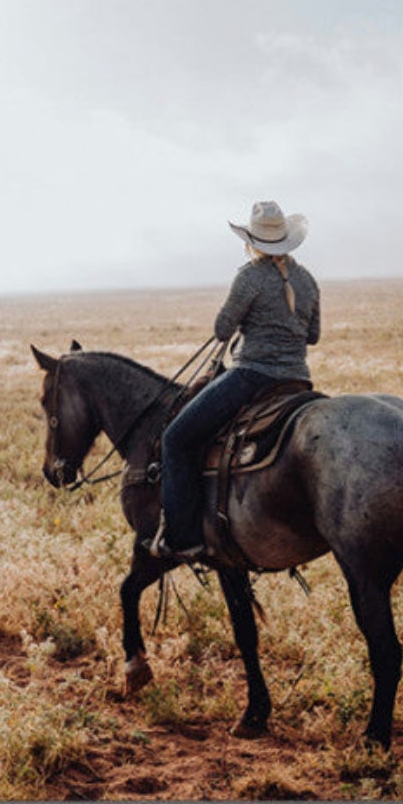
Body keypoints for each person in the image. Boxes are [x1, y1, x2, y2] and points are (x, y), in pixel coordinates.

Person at [152, 199, 320, 563]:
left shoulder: (249, 277)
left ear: (253, 240)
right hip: (299, 382)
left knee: (176, 439)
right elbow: (314, 335)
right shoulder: (307, 280)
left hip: (252, 377)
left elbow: (222, 329)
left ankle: (183, 539)